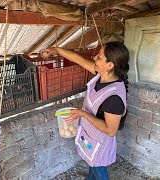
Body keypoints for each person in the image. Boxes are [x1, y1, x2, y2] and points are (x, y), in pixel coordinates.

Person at [41, 41, 129, 180]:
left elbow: (110, 130)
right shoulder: (101, 75)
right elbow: (77, 58)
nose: (94, 58)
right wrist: (55, 50)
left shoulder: (114, 98)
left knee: (99, 170)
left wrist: (82, 113)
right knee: (92, 165)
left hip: (101, 142)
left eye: (99, 57)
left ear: (110, 65)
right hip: (91, 136)